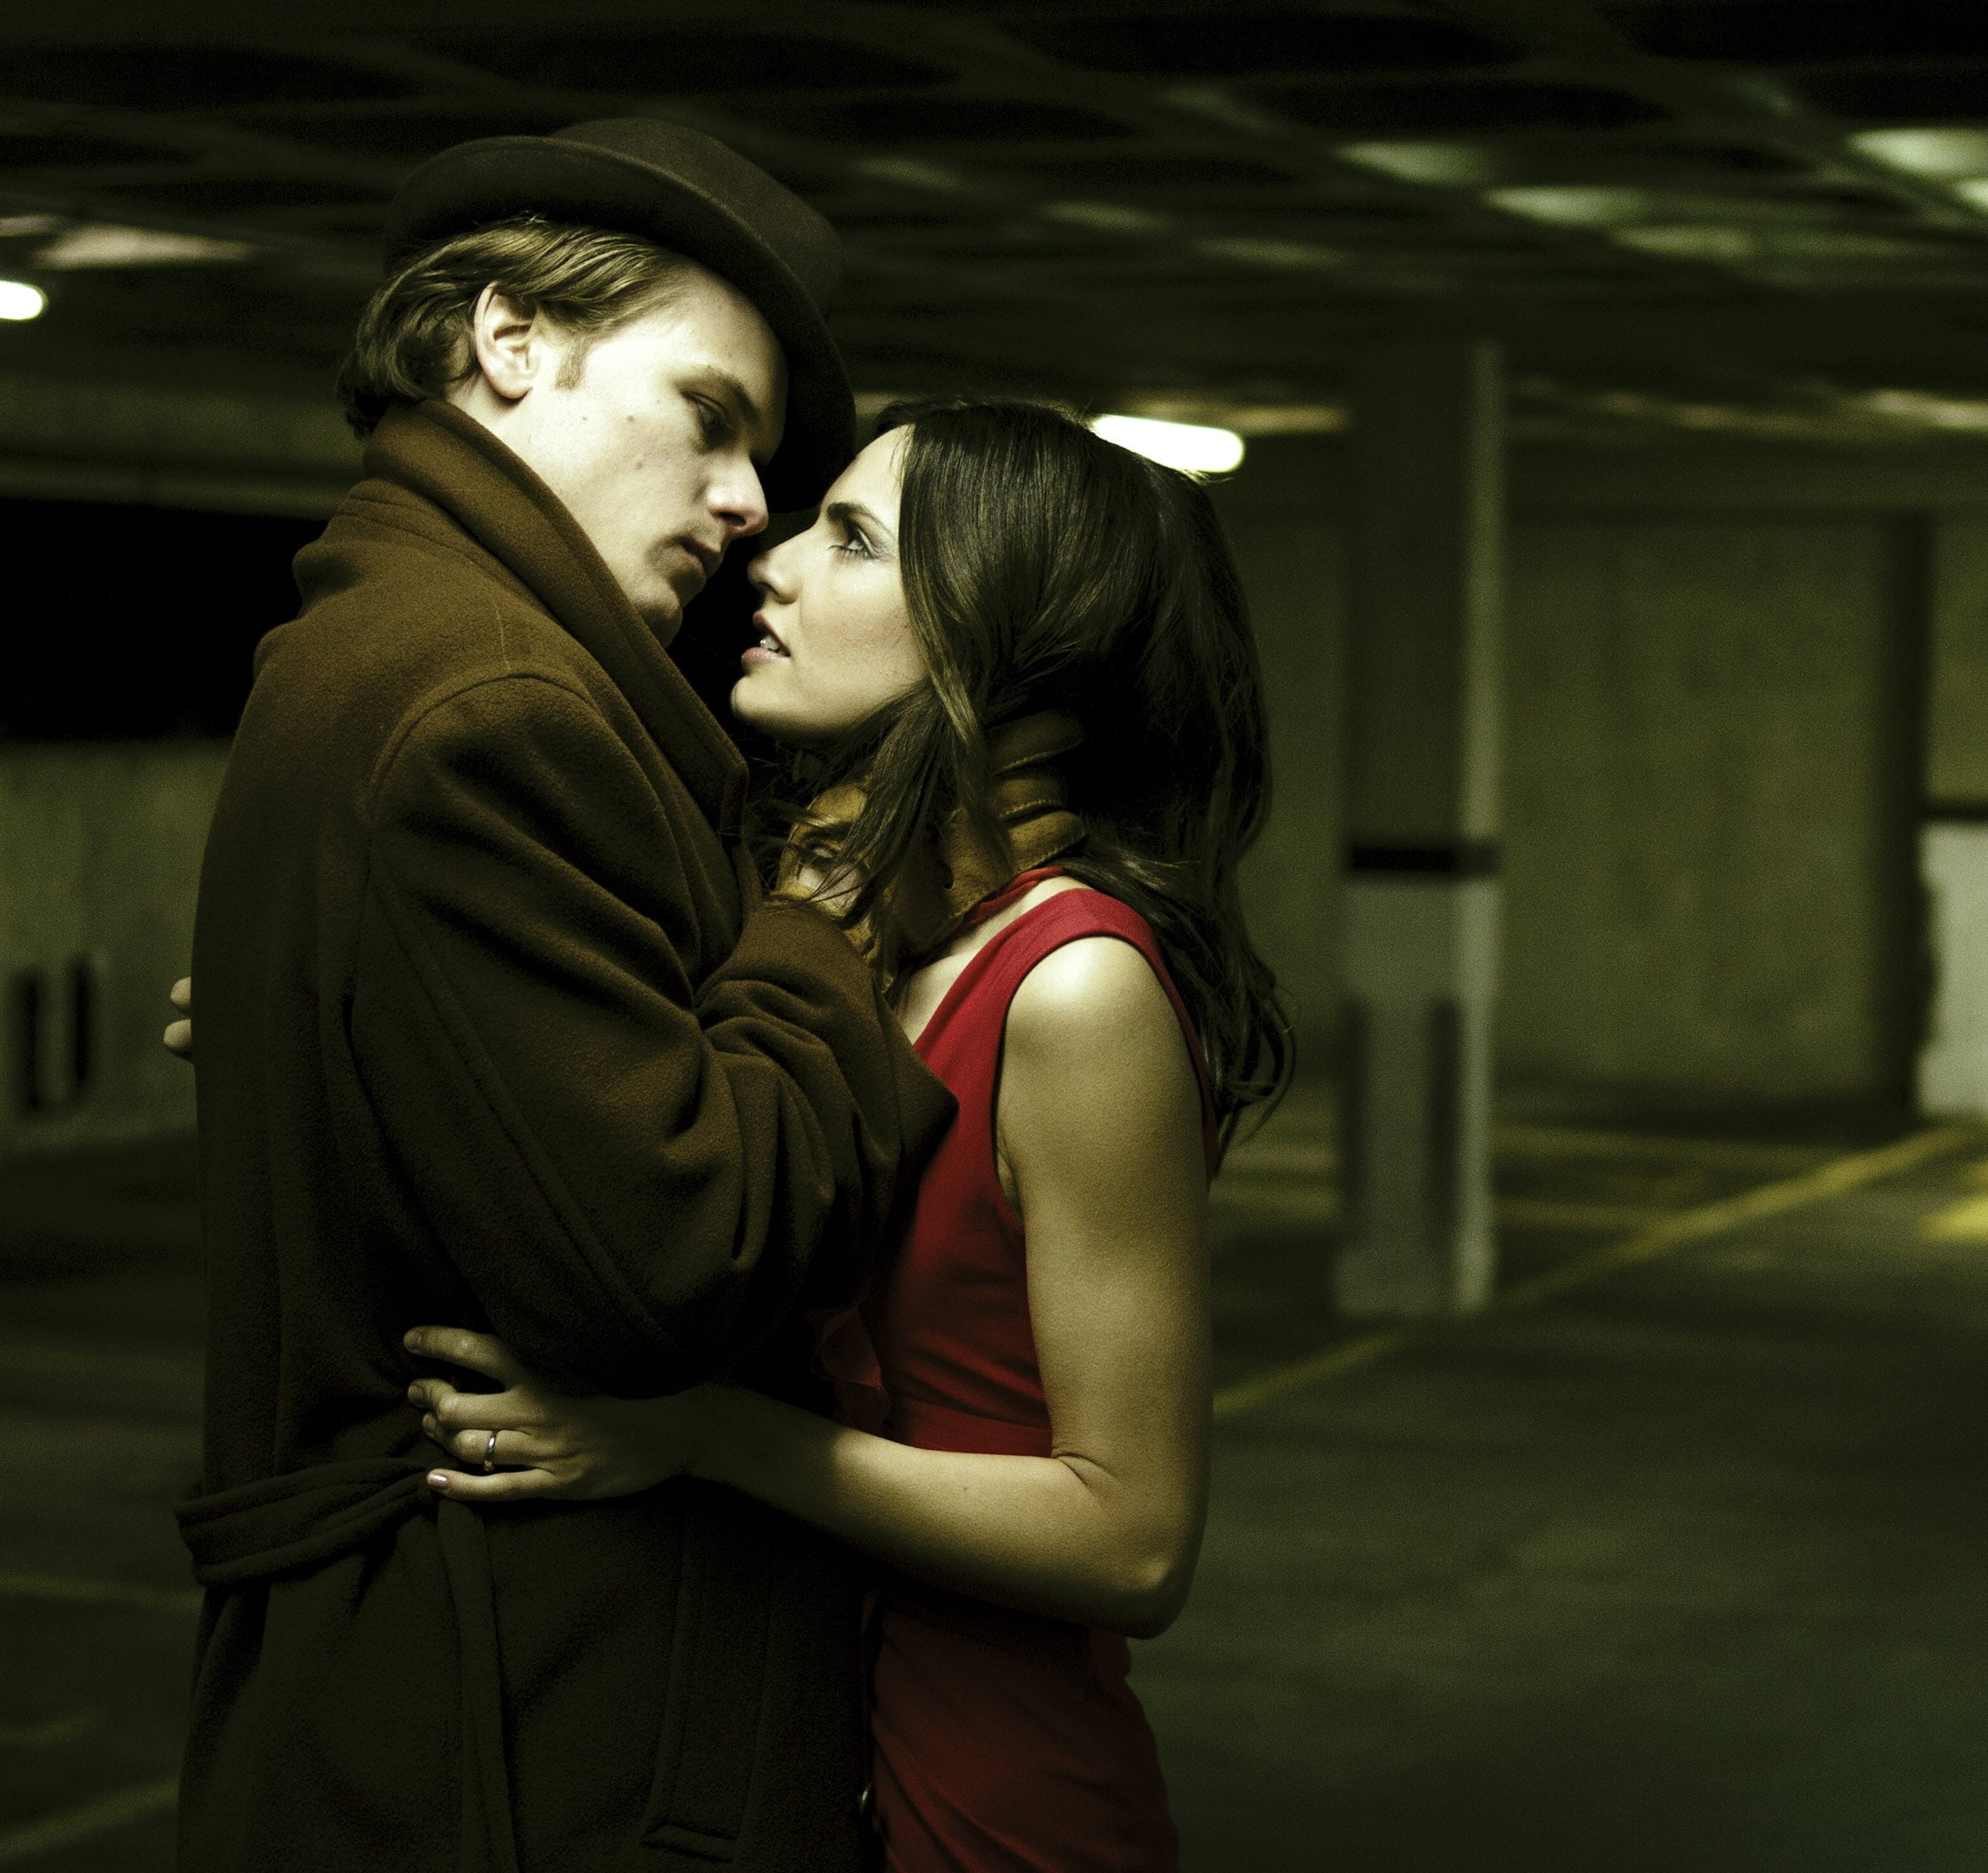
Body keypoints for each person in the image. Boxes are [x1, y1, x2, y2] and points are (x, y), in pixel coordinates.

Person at [176, 120, 955, 1872]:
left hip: (450, 1689)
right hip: (527, 1726)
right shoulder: (492, 707)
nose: (747, 504)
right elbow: (681, 1253)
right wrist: (822, 912)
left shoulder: (382, 637)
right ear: (511, 341)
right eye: (711, 417)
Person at [390, 398, 1291, 1872]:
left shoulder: (1074, 985)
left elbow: (1132, 1539)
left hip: (990, 1807)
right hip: (798, 1755)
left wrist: (695, 1435)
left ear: (1017, 661)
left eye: (855, 541)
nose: (775, 559)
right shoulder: (857, 938)